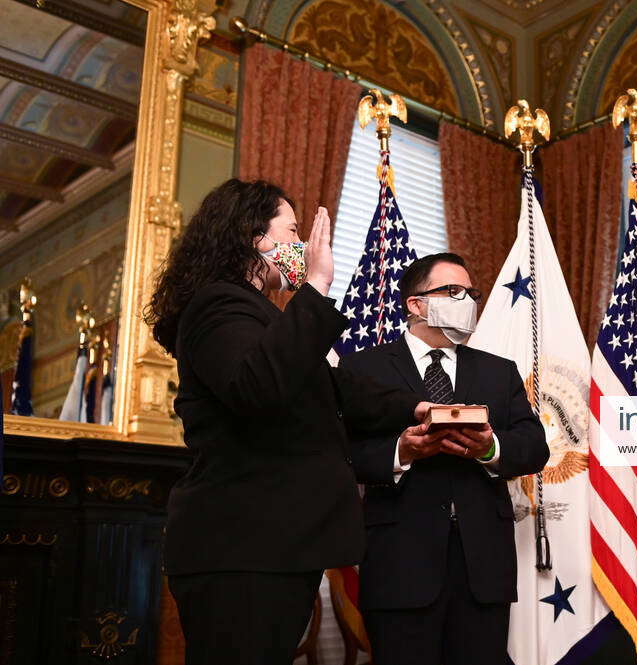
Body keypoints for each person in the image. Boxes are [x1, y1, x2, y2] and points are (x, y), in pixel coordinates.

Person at [144, 178, 435, 665]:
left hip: (271, 547)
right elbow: (257, 387)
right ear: (254, 235)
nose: (301, 245)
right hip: (239, 551)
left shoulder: (261, 315)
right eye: (292, 231)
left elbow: (335, 388)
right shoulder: (218, 305)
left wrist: (416, 407)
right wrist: (317, 286)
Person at [338, 252, 549, 665]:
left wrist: (490, 448)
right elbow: (342, 454)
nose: (466, 301)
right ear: (415, 304)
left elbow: (534, 446)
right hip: (401, 562)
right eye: (452, 292)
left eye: (471, 293)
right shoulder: (363, 369)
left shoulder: (498, 371)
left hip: (482, 568)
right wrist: (402, 451)